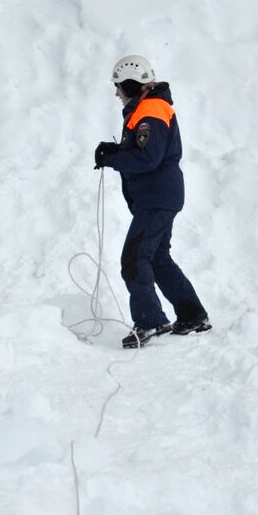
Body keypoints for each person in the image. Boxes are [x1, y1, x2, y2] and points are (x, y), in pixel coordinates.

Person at [94, 54, 210, 349]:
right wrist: (114, 150)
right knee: (157, 258)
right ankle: (193, 315)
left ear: (133, 85)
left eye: (119, 86)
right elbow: (143, 149)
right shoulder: (147, 109)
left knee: (133, 259)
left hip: (157, 197)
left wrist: (114, 158)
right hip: (159, 195)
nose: (116, 92)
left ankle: (150, 321)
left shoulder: (152, 110)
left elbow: (148, 157)